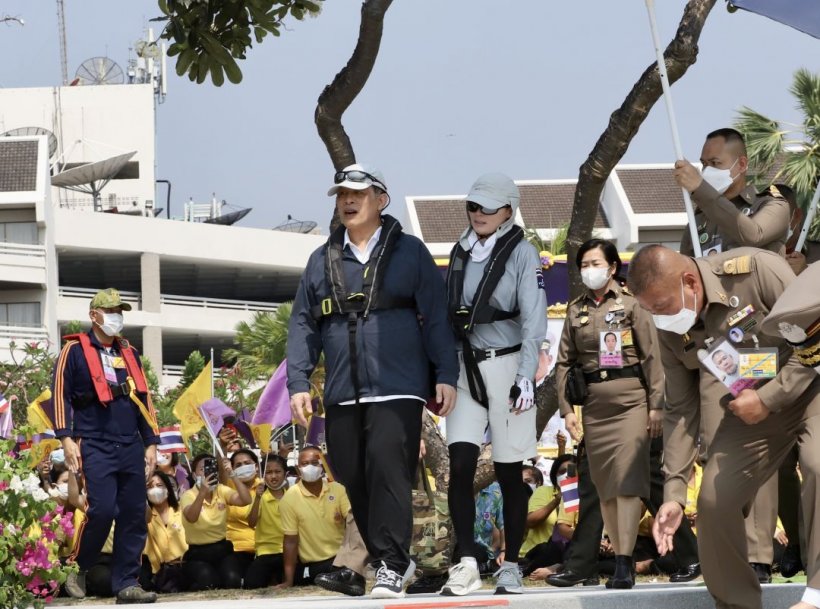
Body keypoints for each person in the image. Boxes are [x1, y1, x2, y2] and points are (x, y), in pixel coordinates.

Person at [287, 163, 458, 599]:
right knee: (351, 473)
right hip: (343, 390)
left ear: (379, 200)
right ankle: (387, 560)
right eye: (341, 194)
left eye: (357, 194)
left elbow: (436, 317)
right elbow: (304, 323)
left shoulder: (411, 252)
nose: (347, 201)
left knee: (387, 467)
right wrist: (299, 382)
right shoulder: (322, 258)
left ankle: (391, 563)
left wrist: (445, 374)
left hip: (399, 384)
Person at [627, 245, 819, 609]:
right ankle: (736, 603)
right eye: (649, 310)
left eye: (662, 306)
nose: (658, 317)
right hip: (751, 409)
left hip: (811, 388)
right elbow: (681, 408)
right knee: (715, 500)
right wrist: (674, 494)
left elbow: (814, 338)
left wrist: (770, 398)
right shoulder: (669, 325)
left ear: (689, 282)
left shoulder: (755, 270)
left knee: (818, 464)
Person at [440, 172, 547, 596]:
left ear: (508, 209)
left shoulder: (523, 253)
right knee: (461, 465)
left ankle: (512, 564)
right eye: (473, 206)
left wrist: (526, 375)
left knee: (508, 470)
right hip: (465, 367)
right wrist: (442, 374)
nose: (478, 214)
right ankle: (466, 561)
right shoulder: (459, 250)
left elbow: (534, 318)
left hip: (508, 367)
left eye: (487, 206)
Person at [554, 239, 664, 589]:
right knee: (605, 489)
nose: (590, 270)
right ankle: (621, 557)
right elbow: (563, 363)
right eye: (584, 264)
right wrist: (567, 410)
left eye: (595, 263)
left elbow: (653, 358)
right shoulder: (575, 310)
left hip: (632, 400)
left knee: (628, 482)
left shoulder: (632, 305)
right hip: (595, 407)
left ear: (613, 267)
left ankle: (623, 561)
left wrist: (657, 405)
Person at [53, 288, 160, 604]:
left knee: (133, 513)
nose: (117, 316)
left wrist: (151, 442)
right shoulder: (73, 351)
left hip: (130, 442)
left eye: (120, 310)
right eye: (111, 310)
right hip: (94, 441)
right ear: (94, 315)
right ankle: (78, 565)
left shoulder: (129, 351)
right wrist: (66, 437)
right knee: (100, 510)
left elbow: (142, 397)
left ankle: (127, 583)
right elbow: (60, 395)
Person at [675, 127, 790, 257]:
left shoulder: (773, 205)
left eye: (715, 163)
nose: (707, 171)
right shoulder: (699, 220)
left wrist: (700, 188)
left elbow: (755, 235)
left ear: (741, 164)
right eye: (704, 164)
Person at [277, 445, 350, 589]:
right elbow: (290, 541)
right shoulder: (289, 498)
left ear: (323, 465)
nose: (310, 467)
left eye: (315, 463)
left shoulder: (338, 489)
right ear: (298, 468)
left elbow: (352, 523)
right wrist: (288, 581)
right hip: (313, 564)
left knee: (343, 567)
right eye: (304, 464)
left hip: (341, 557)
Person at [179, 453, 252, 590]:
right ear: (194, 476)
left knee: (233, 580)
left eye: (211, 469)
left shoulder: (221, 490)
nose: (207, 473)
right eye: (202, 469)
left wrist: (232, 474)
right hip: (198, 553)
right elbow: (191, 517)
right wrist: (202, 493)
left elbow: (246, 500)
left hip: (222, 549)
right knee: (209, 582)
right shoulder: (188, 495)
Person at [245, 455, 288, 589]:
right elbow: (251, 523)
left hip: (290, 552)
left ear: (285, 474)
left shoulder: (292, 495)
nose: (273, 476)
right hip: (266, 552)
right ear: (262, 475)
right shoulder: (259, 497)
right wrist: (257, 498)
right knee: (251, 584)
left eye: (278, 472)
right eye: (269, 472)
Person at [143, 470, 187, 593]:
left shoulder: (181, 509)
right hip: (157, 572)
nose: (155, 490)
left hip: (184, 566)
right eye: (150, 486)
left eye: (159, 485)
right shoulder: (146, 514)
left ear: (168, 488)